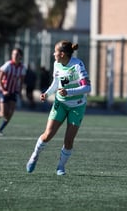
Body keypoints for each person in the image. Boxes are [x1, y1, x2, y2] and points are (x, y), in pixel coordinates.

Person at [26, 40, 91, 175]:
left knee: (68, 140)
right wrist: (47, 93)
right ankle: (34, 155)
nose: (53, 53)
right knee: (48, 135)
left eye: (55, 51)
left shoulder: (78, 65)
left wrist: (69, 92)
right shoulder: (57, 64)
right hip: (60, 103)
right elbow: (56, 83)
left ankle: (60, 166)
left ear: (62, 54)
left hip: (77, 106)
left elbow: (87, 87)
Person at [0, 48, 26, 136]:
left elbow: (21, 81)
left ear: (20, 56)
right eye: (13, 54)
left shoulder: (22, 67)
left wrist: (20, 91)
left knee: (10, 114)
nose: (14, 56)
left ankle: (0, 130)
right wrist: (3, 90)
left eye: (17, 54)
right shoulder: (8, 65)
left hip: (13, 92)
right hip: (4, 91)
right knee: (4, 113)